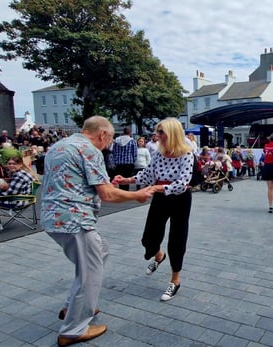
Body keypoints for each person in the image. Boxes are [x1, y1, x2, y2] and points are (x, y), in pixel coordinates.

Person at [42, 116, 154, 347]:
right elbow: (108, 194)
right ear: (102, 134)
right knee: (91, 272)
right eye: (110, 139)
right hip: (75, 220)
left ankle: (71, 306)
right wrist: (137, 195)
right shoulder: (89, 150)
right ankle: (74, 329)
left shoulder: (58, 146)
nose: (109, 144)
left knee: (99, 252)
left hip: (54, 218)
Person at [113, 117, 193, 302]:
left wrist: (158, 188)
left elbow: (183, 183)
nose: (157, 136)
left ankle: (175, 280)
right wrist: (128, 180)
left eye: (161, 132)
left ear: (172, 134)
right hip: (160, 197)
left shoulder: (187, 154)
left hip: (180, 198)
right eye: (157, 132)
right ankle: (159, 255)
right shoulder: (158, 154)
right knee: (148, 237)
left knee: (177, 239)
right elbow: (148, 174)